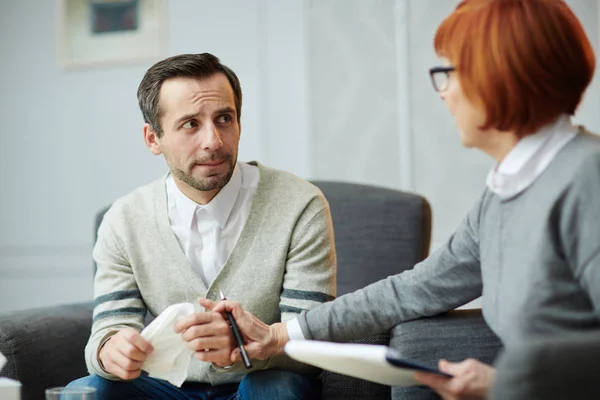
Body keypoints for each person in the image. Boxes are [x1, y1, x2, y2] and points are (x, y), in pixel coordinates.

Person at [207, 1, 599, 399]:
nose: (443, 93)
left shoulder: (587, 181)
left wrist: (506, 384)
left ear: (500, 75)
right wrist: (280, 334)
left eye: (449, 73)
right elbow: (415, 289)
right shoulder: (504, 192)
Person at [67, 53, 336, 400]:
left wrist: (246, 347)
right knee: (88, 390)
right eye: (191, 124)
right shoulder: (122, 220)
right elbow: (108, 329)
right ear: (153, 139)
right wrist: (110, 351)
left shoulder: (301, 205)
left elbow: (311, 345)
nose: (214, 141)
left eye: (224, 118)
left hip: (260, 383)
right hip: (166, 389)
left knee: (276, 389)